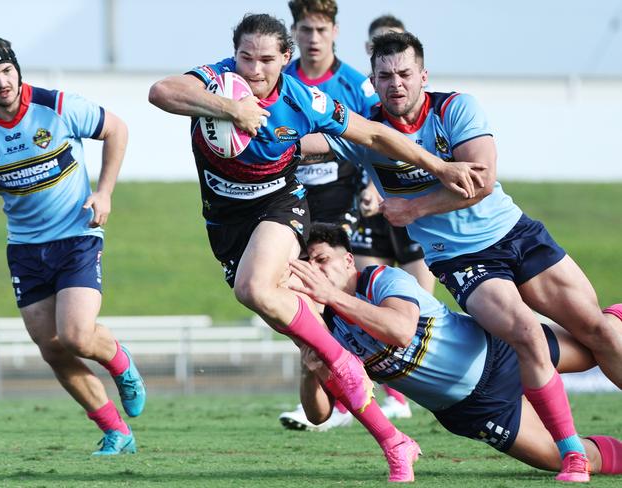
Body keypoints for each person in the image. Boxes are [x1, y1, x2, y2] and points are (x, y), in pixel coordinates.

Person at [148, 13, 483, 482]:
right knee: (315, 349)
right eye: (247, 57)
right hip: (224, 224)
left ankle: (349, 356)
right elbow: (160, 92)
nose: (255, 69)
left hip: (280, 206)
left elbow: (374, 133)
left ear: (287, 59)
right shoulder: (216, 79)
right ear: (234, 53)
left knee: (253, 289)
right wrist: (231, 109)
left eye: (267, 59)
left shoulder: (305, 98)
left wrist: (439, 166)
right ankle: (393, 438)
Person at [301, 30, 622, 482]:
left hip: (515, 233)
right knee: (525, 330)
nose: (396, 83)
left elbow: (481, 181)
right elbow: (303, 144)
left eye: (405, 73)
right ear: (373, 80)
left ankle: (613, 325)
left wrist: (413, 207)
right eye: (386, 75)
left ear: (423, 75)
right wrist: (256, 130)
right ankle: (572, 452)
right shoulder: (368, 132)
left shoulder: (455, 108)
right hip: (459, 259)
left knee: (598, 330)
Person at [289, 222, 622, 481]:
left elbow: (401, 330)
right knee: (558, 458)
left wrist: (331, 296)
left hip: (499, 351)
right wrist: (310, 371)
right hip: (475, 410)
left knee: (600, 345)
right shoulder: (324, 330)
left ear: (348, 260)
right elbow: (319, 414)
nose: (314, 270)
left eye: (322, 260)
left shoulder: (381, 279)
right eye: (306, 266)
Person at [0, 37, 146, 456]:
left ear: (17, 69)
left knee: (76, 335)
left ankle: (120, 364)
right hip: (26, 248)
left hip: (76, 235)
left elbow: (117, 129)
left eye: (7, 71)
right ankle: (115, 431)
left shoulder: (58, 105)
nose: (2, 83)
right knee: (51, 347)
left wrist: (104, 192)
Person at [277, 0, 410, 431]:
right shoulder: (281, 81)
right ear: (293, 34)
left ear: (334, 31)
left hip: (345, 203)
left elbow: (380, 135)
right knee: (296, 293)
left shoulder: (356, 83)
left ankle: (356, 392)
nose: (312, 38)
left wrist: (373, 185)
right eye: (305, 29)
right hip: (292, 200)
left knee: (332, 293)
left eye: (320, 29)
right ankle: (330, 386)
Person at [353, 14, 436, 298]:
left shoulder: (417, 98)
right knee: (370, 301)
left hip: (409, 206)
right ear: (369, 50)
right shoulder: (359, 91)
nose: (395, 83)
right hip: (370, 211)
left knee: (421, 303)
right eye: (380, 42)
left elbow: (405, 149)